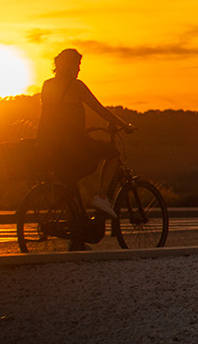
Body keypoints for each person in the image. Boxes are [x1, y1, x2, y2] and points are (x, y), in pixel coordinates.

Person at [37, 48, 133, 245]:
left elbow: (47, 116)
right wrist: (124, 125)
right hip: (74, 145)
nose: (79, 69)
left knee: (70, 183)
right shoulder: (76, 86)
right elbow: (100, 110)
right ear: (70, 65)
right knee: (113, 154)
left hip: (52, 146)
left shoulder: (47, 85)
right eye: (77, 65)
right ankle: (102, 196)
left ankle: (77, 238)